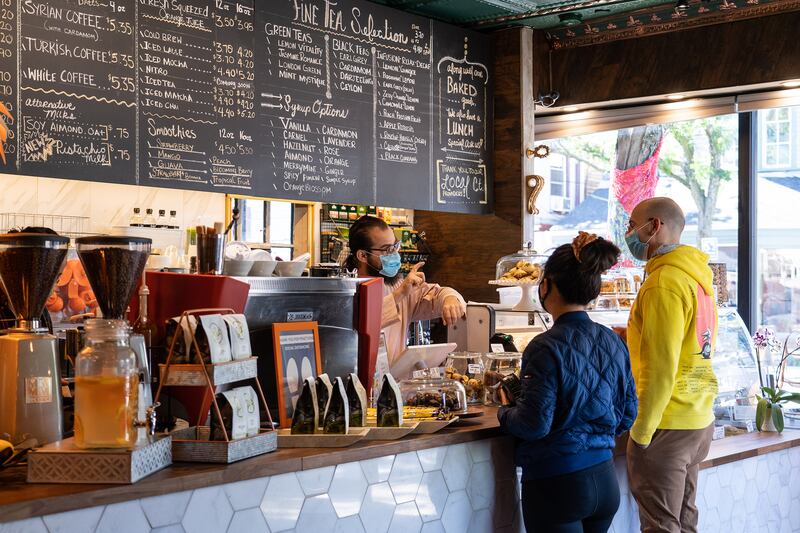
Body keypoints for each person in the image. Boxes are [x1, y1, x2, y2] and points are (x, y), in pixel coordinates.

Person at [497, 232, 638, 533]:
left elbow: (534, 424)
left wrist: (505, 412)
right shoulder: (613, 340)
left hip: (557, 484)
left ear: (546, 286)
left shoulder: (544, 346)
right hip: (604, 479)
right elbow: (627, 414)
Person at [624, 197, 719, 533]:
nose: (628, 232)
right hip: (697, 419)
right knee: (685, 520)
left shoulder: (664, 283)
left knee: (661, 527)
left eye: (632, 224)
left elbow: (660, 367)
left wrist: (642, 432)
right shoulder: (697, 278)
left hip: (667, 424)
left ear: (654, 226)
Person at [345, 215, 466, 368]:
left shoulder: (400, 287)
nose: (395, 254)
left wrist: (450, 299)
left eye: (396, 246)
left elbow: (439, 294)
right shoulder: (347, 291)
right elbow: (363, 324)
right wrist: (400, 294)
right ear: (362, 255)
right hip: (356, 383)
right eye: (387, 250)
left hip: (397, 384)